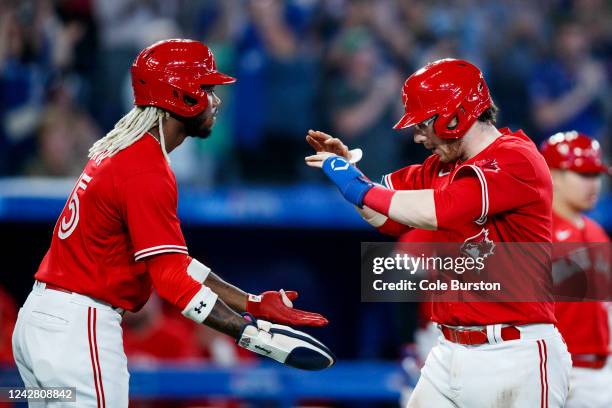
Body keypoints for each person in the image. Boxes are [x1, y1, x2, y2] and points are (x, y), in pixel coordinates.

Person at [12, 39, 334, 408]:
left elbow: (173, 264)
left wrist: (251, 302)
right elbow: (170, 281)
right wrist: (252, 335)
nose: (215, 101)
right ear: (181, 96)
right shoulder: (146, 167)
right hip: (79, 328)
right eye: (207, 89)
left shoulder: (124, 150)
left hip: (43, 323)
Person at [306, 58, 571, 407]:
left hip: (513, 353)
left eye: (423, 124)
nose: (418, 137)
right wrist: (353, 175)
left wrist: (353, 183)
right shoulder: (440, 165)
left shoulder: (516, 158)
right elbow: (386, 217)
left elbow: (439, 210)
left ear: (455, 115)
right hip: (448, 352)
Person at [540, 131, 612, 407]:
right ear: (552, 175)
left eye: (596, 175)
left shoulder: (597, 233)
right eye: (583, 174)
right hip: (557, 371)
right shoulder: (533, 233)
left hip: (603, 370)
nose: (593, 184)